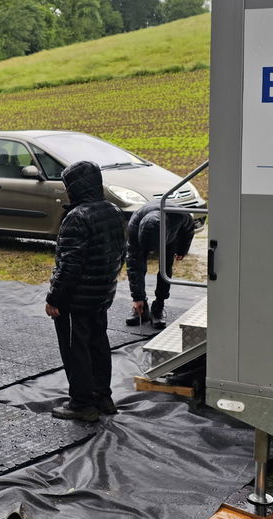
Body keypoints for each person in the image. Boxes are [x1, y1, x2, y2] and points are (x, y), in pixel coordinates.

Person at [45, 160, 127, 423]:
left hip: (75, 301)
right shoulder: (113, 211)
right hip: (101, 296)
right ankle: (102, 397)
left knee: (75, 349)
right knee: (98, 344)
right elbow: (120, 254)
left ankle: (81, 404)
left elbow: (70, 264)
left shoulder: (76, 218)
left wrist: (54, 298)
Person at [125, 202, 198, 327]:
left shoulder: (180, 215)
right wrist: (137, 297)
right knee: (138, 266)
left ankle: (158, 307)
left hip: (170, 238)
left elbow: (189, 229)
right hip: (146, 235)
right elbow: (133, 265)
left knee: (165, 269)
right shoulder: (134, 225)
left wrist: (182, 249)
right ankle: (141, 307)